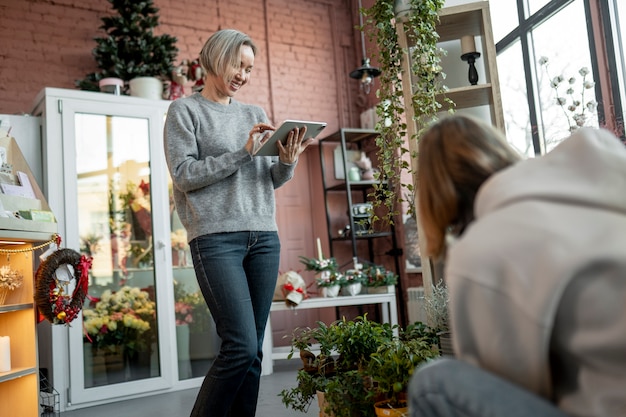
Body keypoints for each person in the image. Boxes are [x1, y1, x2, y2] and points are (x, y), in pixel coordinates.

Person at [409, 115, 626, 417]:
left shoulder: (480, 250)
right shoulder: (598, 161)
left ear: (436, 192)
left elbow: (506, 383)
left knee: (432, 383)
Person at [163, 29, 314, 417]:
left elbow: (271, 180)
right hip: (215, 240)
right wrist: (243, 152)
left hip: (263, 238)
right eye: (238, 65)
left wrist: (288, 160)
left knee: (253, 354)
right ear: (215, 57)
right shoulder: (185, 111)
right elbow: (184, 175)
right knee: (240, 345)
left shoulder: (254, 114)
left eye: (249, 69)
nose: (243, 75)